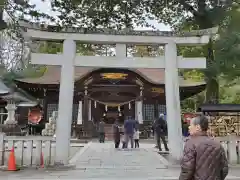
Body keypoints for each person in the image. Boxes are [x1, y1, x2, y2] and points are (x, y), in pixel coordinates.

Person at [179, 115, 228, 180]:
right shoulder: (217, 144)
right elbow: (224, 168)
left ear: (198, 127)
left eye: (190, 125)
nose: (189, 127)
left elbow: (187, 170)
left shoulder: (191, 144)